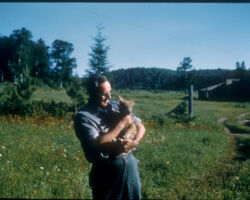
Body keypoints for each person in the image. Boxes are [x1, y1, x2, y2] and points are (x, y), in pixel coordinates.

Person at [74, 75, 145, 200]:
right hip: (106, 169)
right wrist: (122, 124)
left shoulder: (118, 105)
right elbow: (96, 143)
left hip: (129, 164)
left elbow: (141, 127)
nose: (109, 97)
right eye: (103, 94)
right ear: (92, 93)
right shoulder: (83, 116)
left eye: (110, 92)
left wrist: (135, 142)